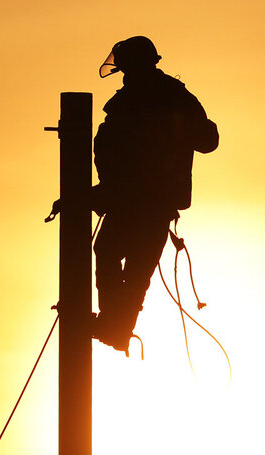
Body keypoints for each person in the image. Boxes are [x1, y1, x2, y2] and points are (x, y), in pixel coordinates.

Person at [90, 36, 219, 353]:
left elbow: (207, 139)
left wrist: (177, 129)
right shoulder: (164, 97)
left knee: (115, 256)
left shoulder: (166, 99)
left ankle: (115, 325)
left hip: (143, 202)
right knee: (126, 264)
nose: (125, 76)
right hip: (141, 201)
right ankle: (115, 325)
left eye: (127, 70)